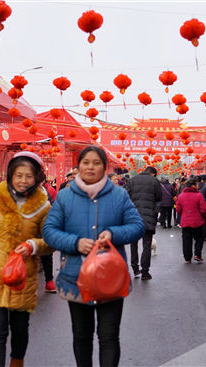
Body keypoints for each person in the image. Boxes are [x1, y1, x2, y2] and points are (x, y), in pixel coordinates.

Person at [42, 146, 144, 367]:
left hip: (111, 279)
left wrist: (114, 234)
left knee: (108, 336)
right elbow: (49, 231)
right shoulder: (65, 196)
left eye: (96, 163)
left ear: (105, 167)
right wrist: (75, 242)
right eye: (86, 162)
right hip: (75, 278)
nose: (90, 167)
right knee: (81, 336)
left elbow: (137, 226)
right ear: (78, 166)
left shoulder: (119, 195)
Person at [0, 151, 53, 367]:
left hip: (22, 279)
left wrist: (33, 245)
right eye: (18, 175)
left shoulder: (43, 205)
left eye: (28, 176)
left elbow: (51, 240)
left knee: (20, 328)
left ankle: (17, 362)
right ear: (10, 175)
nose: (23, 180)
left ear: (36, 178)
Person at [126, 166, 162, 280]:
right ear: (153, 174)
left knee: (133, 244)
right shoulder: (155, 181)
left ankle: (135, 269)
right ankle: (145, 272)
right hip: (148, 216)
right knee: (147, 245)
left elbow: (125, 197)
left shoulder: (132, 180)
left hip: (133, 217)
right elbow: (159, 197)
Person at [175, 178, 206, 263]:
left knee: (186, 240)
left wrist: (184, 214)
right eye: (197, 184)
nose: (198, 186)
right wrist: (203, 216)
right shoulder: (199, 195)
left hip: (185, 221)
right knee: (199, 238)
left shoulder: (181, 196)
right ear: (193, 185)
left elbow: (178, 209)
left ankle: (187, 258)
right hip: (197, 221)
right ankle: (197, 254)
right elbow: (204, 209)